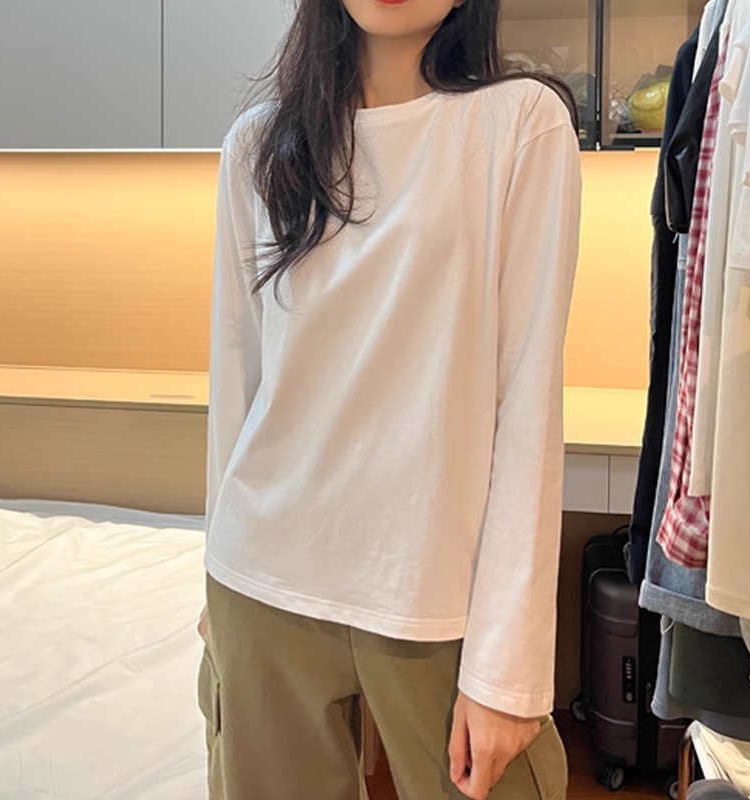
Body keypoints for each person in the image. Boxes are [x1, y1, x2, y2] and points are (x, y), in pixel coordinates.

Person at [196, 1, 581, 798]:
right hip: (261, 580)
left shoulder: (521, 124)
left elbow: (528, 411)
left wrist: (507, 671)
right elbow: (238, 382)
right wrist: (213, 581)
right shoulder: (259, 146)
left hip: (435, 595)